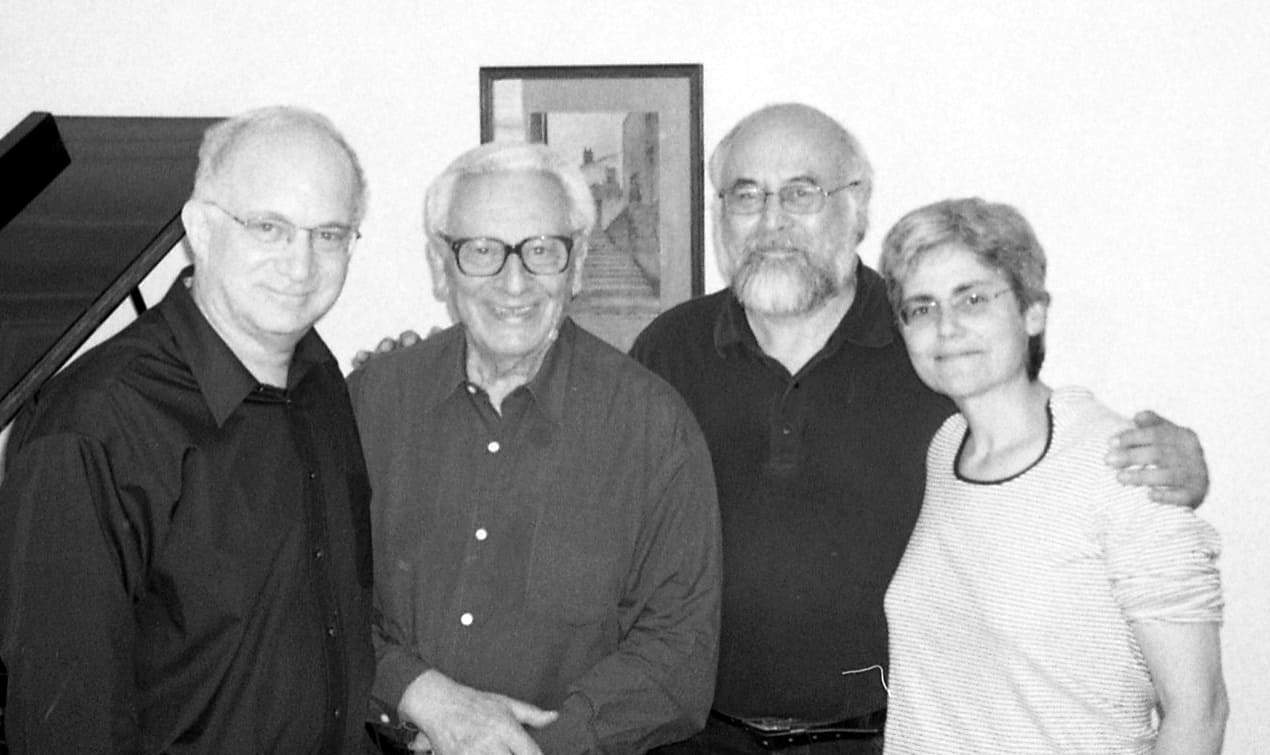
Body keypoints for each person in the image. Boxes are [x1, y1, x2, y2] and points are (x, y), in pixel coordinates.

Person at [629, 103, 1212, 753]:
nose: (772, 221)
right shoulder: (666, 351)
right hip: (699, 739)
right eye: (746, 194)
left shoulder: (930, 355)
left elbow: (1046, 459)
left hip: (891, 738)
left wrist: (1170, 468)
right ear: (718, 213)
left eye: (801, 192)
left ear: (857, 206)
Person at [0, 106, 374, 753]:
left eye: (330, 234)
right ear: (200, 227)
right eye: (269, 226)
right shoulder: (91, 428)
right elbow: (65, 728)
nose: (301, 263)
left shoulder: (320, 380)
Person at [349, 142, 721, 754]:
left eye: (542, 250)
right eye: (483, 250)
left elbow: (678, 654)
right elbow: (312, 599)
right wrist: (419, 693)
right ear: (442, 265)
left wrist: (522, 748)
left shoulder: (655, 428)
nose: (514, 282)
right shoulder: (371, 402)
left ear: (576, 267)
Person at [878, 197, 1227, 753]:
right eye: (921, 308)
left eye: (972, 298)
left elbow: (1199, 714)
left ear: (1032, 311)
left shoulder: (1126, 467)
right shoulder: (943, 451)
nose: (946, 327)